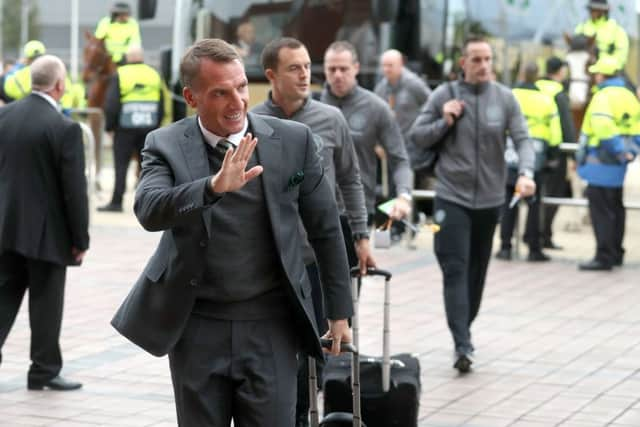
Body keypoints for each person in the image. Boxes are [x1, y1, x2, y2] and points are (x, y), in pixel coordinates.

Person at [110, 38, 353, 426]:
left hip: (271, 325)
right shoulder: (165, 144)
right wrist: (211, 188)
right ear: (191, 97)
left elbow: (326, 229)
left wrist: (340, 312)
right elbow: (149, 208)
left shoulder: (294, 141)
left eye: (240, 87)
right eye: (220, 93)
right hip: (197, 325)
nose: (237, 102)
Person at [252, 37, 373, 427]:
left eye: (308, 66)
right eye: (295, 67)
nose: (306, 74)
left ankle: (304, 414)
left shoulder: (330, 119)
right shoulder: (252, 123)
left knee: (316, 351)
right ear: (271, 75)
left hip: (318, 259)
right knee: (276, 354)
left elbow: (351, 181)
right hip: (269, 261)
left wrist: (361, 234)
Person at [409, 35, 536, 373]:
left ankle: (463, 326)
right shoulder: (443, 96)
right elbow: (417, 136)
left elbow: (523, 139)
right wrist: (445, 120)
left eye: (487, 59)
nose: (483, 66)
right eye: (476, 59)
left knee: (477, 272)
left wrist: (525, 172)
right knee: (455, 268)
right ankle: (462, 343)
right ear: (463, 63)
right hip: (452, 197)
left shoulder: (504, 99)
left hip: (491, 201)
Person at [0, 55, 89, 391]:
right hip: (47, 233)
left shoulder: (3, 116)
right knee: (46, 303)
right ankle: (43, 371)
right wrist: (80, 238)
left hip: (5, 227)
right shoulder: (64, 128)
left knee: (4, 296)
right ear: (60, 85)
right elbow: (74, 191)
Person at [321, 41, 413, 227]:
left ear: (356, 68)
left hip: (357, 210)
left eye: (343, 69)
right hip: (316, 210)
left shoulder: (376, 108)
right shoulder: (309, 107)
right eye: (332, 69)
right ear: (324, 70)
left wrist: (404, 196)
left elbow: (400, 158)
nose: (337, 75)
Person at [576, 56, 640, 271]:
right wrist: (630, 152)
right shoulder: (630, 97)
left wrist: (619, 151)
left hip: (599, 163)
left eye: (596, 73)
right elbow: (637, 129)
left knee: (601, 210)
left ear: (602, 75)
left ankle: (603, 256)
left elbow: (603, 127)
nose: (595, 77)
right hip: (618, 165)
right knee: (616, 208)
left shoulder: (603, 96)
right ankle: (616, 253)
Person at [496, 62, 562, 262]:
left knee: (509, 202)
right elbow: (555, 132)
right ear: (537, 76)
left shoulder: (508, 95)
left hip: (509, 155)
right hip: (535, 157)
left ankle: (505, 247)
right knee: (534, 204)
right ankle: (534, 248)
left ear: (521, 73)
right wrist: (553, 155)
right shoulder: (546, 99)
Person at [98, 46, 164, 213]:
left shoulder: (120, 74)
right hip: (149, 128)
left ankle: (116, 202)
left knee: (121, 165)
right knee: (148, 167)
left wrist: (109, 127)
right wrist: (156, 125)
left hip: (125, 129)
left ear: (127, 58)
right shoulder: (153, 74)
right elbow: (161, 103)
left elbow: (111, 104)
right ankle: (149, 203)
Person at [374, 48, 433, 227]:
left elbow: (432, 105)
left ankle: (405, 225)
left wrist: (422, 131)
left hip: (412, 146)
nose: (386, 69)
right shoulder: (381, 87)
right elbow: (375, 116)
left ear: (401, 65)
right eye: (383, 66)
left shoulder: (414, 84)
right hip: (390, 145)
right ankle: (398, 226)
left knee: (402, 184)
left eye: (390, 65)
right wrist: (377, 144)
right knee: (390, 186)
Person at [536, 56, 578, 249]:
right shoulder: (559, 93)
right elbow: (567, 127)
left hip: (534, 150)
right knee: (554, 194)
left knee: (536, 194)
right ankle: (545, 235)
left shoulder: (534, 87)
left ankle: (534, 235)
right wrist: (573, 153)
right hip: (555, 153)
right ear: (560, 71)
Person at [574, 0, 629, 69]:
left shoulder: (617, 30)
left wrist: (600, 65)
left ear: (604, 11)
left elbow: (621, 58)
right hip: (583, 68)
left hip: (608, 71)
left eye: (596, 10)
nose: (593, 12)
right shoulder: (581, 28)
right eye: (591, 9)